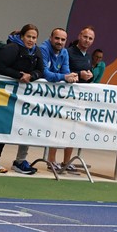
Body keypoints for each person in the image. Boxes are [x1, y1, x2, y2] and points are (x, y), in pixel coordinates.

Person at [0, 24, 43, 175]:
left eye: (34, 37)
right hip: (1, 91)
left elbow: (40, 70)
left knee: (5, 127)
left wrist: (31, 76)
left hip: (17, 95)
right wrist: (19, 75)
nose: (31, 40)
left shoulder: (36, 52)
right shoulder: (11, 48)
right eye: (28, 36)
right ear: (22, 36)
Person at [47, 27, 96, 174]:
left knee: (73, 129)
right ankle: (51, 160)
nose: (87, 40)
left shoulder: (88, 56)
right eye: (85, 37)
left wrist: (89, 76)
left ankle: (67, 161)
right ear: (79, 36)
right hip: (64, 97)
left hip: (79, 99)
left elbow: (88, 76)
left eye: (90, 38)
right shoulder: (67, 52)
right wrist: (79, 74)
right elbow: (65, 72)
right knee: (58, 127)